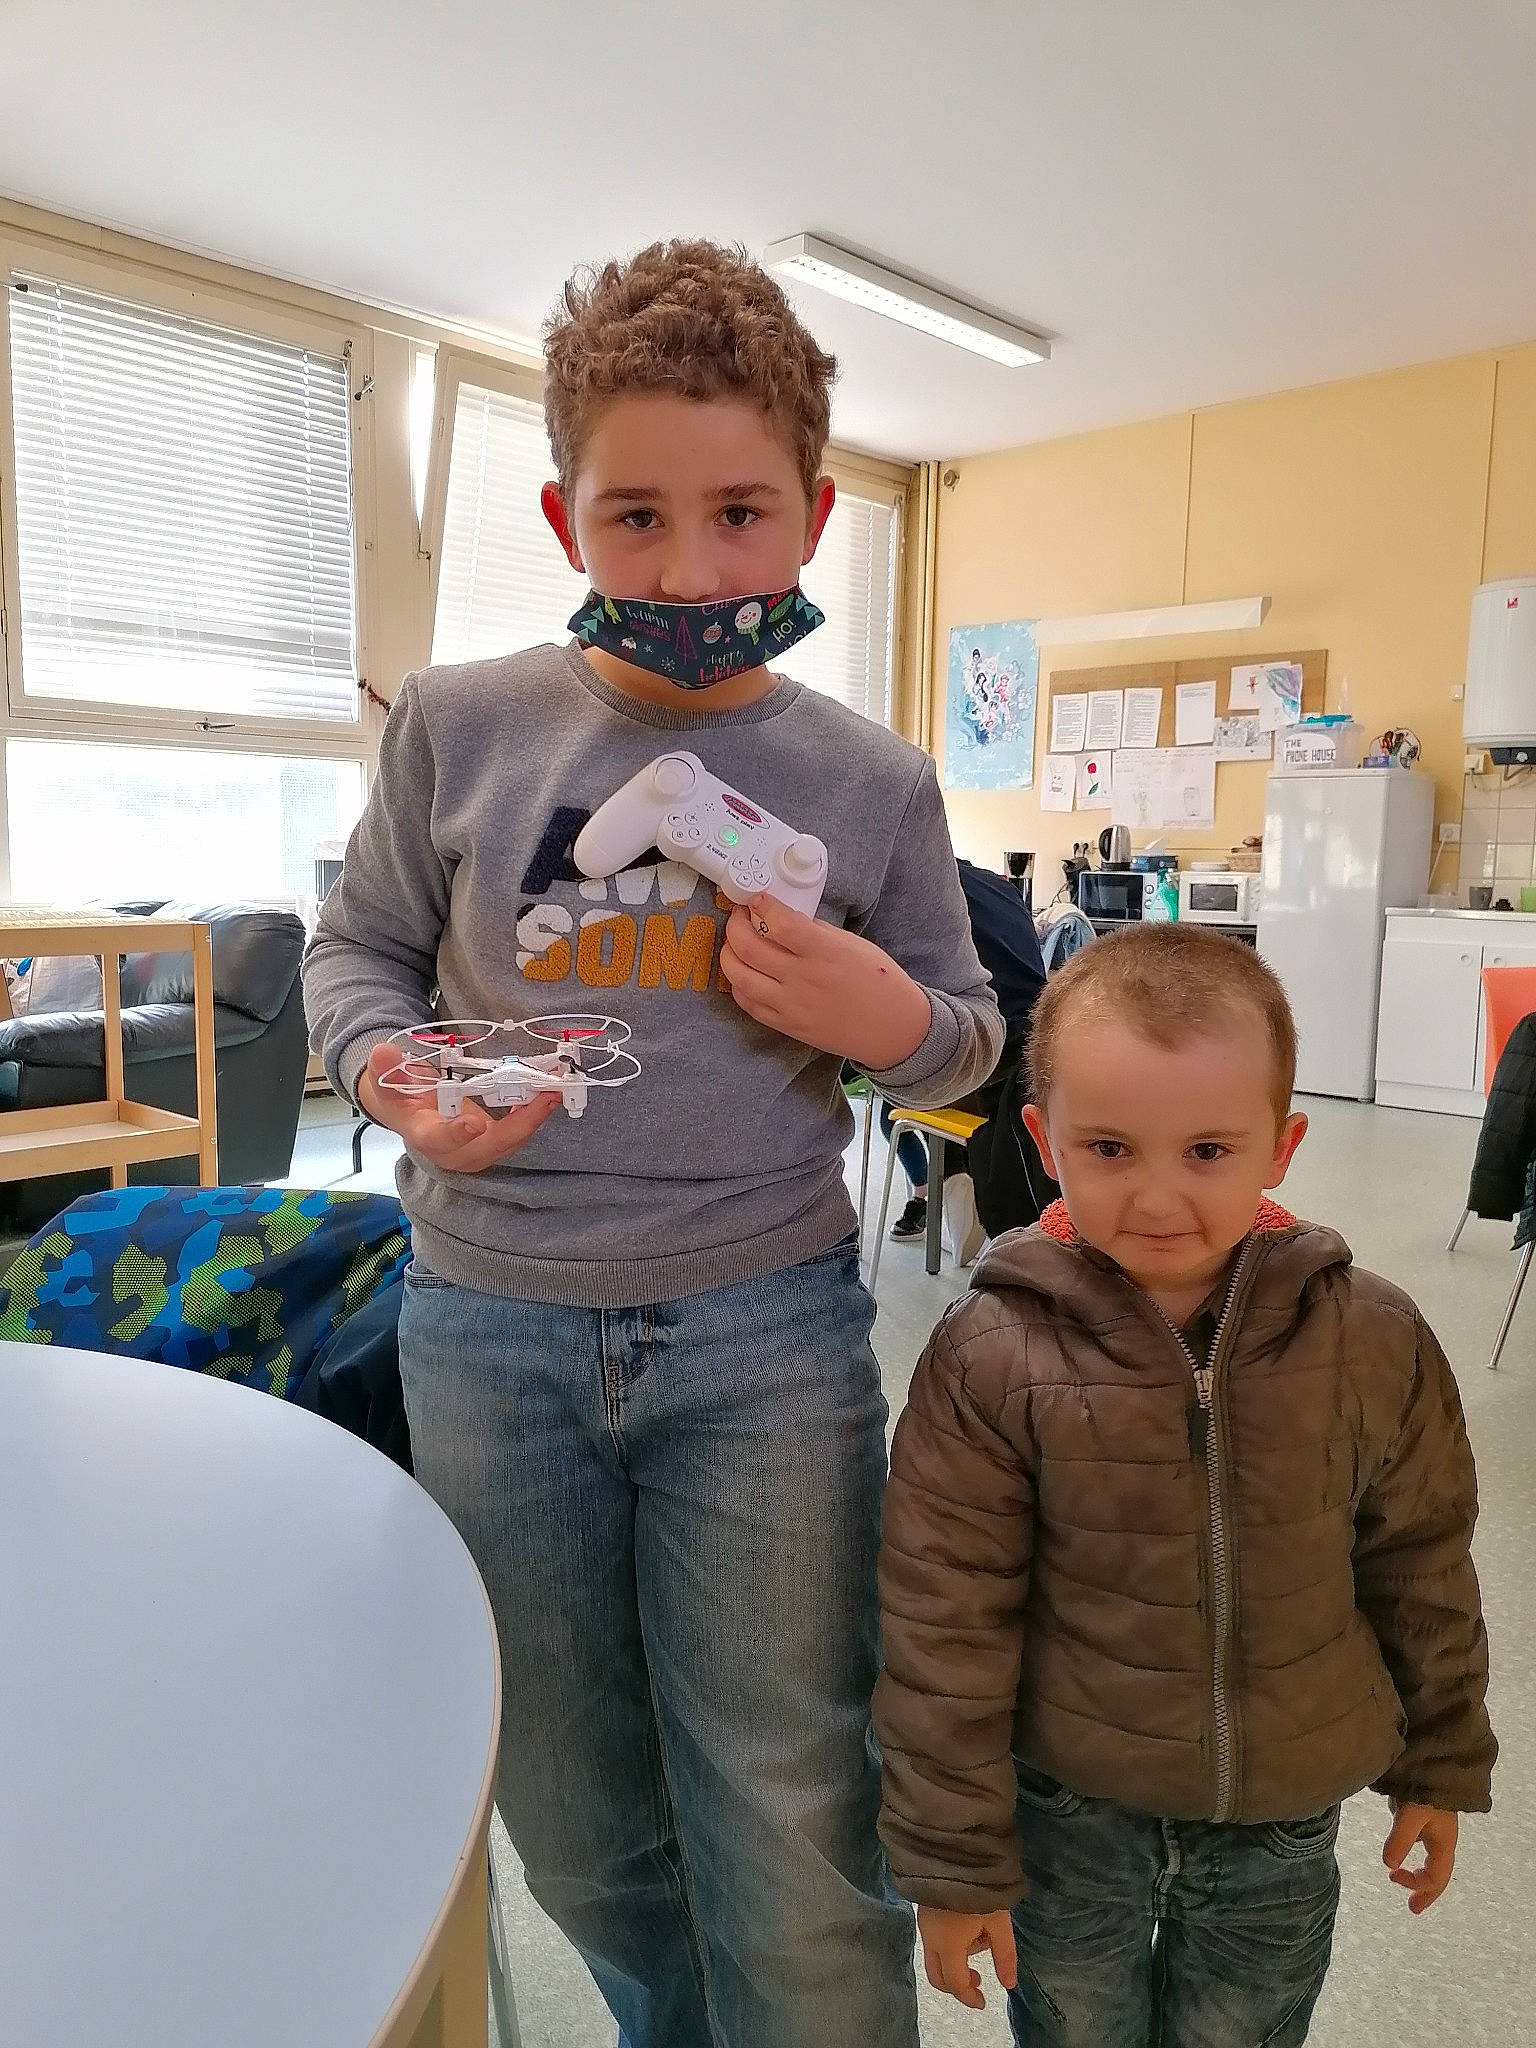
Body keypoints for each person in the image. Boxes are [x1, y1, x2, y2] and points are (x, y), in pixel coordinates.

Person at [304, 239, 1002, 2048]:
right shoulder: (458, 726)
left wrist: (885, 1022)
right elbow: (356, 952)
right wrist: (390, 1074)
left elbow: (967, 1046)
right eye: (636, 518)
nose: (692, 571)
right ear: (565, 518)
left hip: (766, 1335)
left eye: (742, 514)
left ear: (816, 518)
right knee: (575, 1807)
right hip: (489, 1325)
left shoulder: (874, 780)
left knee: (789, 1805)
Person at [874, 924, 1495, 2045]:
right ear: (1043, 1140)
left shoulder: (1372, 1336)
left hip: (1282, 1823)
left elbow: (1422, 1562)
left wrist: (1440, 1757)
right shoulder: (990, 1353)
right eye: (1110, 1147)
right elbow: (942, 1619)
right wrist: (955, 1861)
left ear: (1282, 1144)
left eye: (1208, 1150)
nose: (1158, 1198)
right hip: (1070, 1815)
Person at [883, 854, 1047, 1247]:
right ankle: (956, 1178)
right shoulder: (1002, 887)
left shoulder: (909, 892)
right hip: (1040, 1044)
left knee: (896, 1101)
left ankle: (934, 1188)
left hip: (989, 1061)